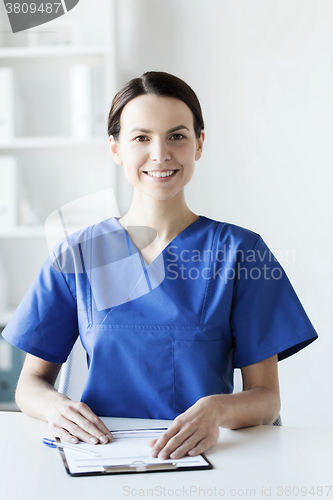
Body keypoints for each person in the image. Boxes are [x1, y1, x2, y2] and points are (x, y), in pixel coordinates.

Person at [2, 71, 318, 461]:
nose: (160, 153)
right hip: (102, 459)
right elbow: (30, 384)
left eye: (177, 136)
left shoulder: (241, 252)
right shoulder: (79, 254)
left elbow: (266, 399)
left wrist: (217, 409)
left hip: (205, 464)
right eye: (141, 138)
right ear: (116, 148)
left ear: (199, 144)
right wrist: (56, 407)